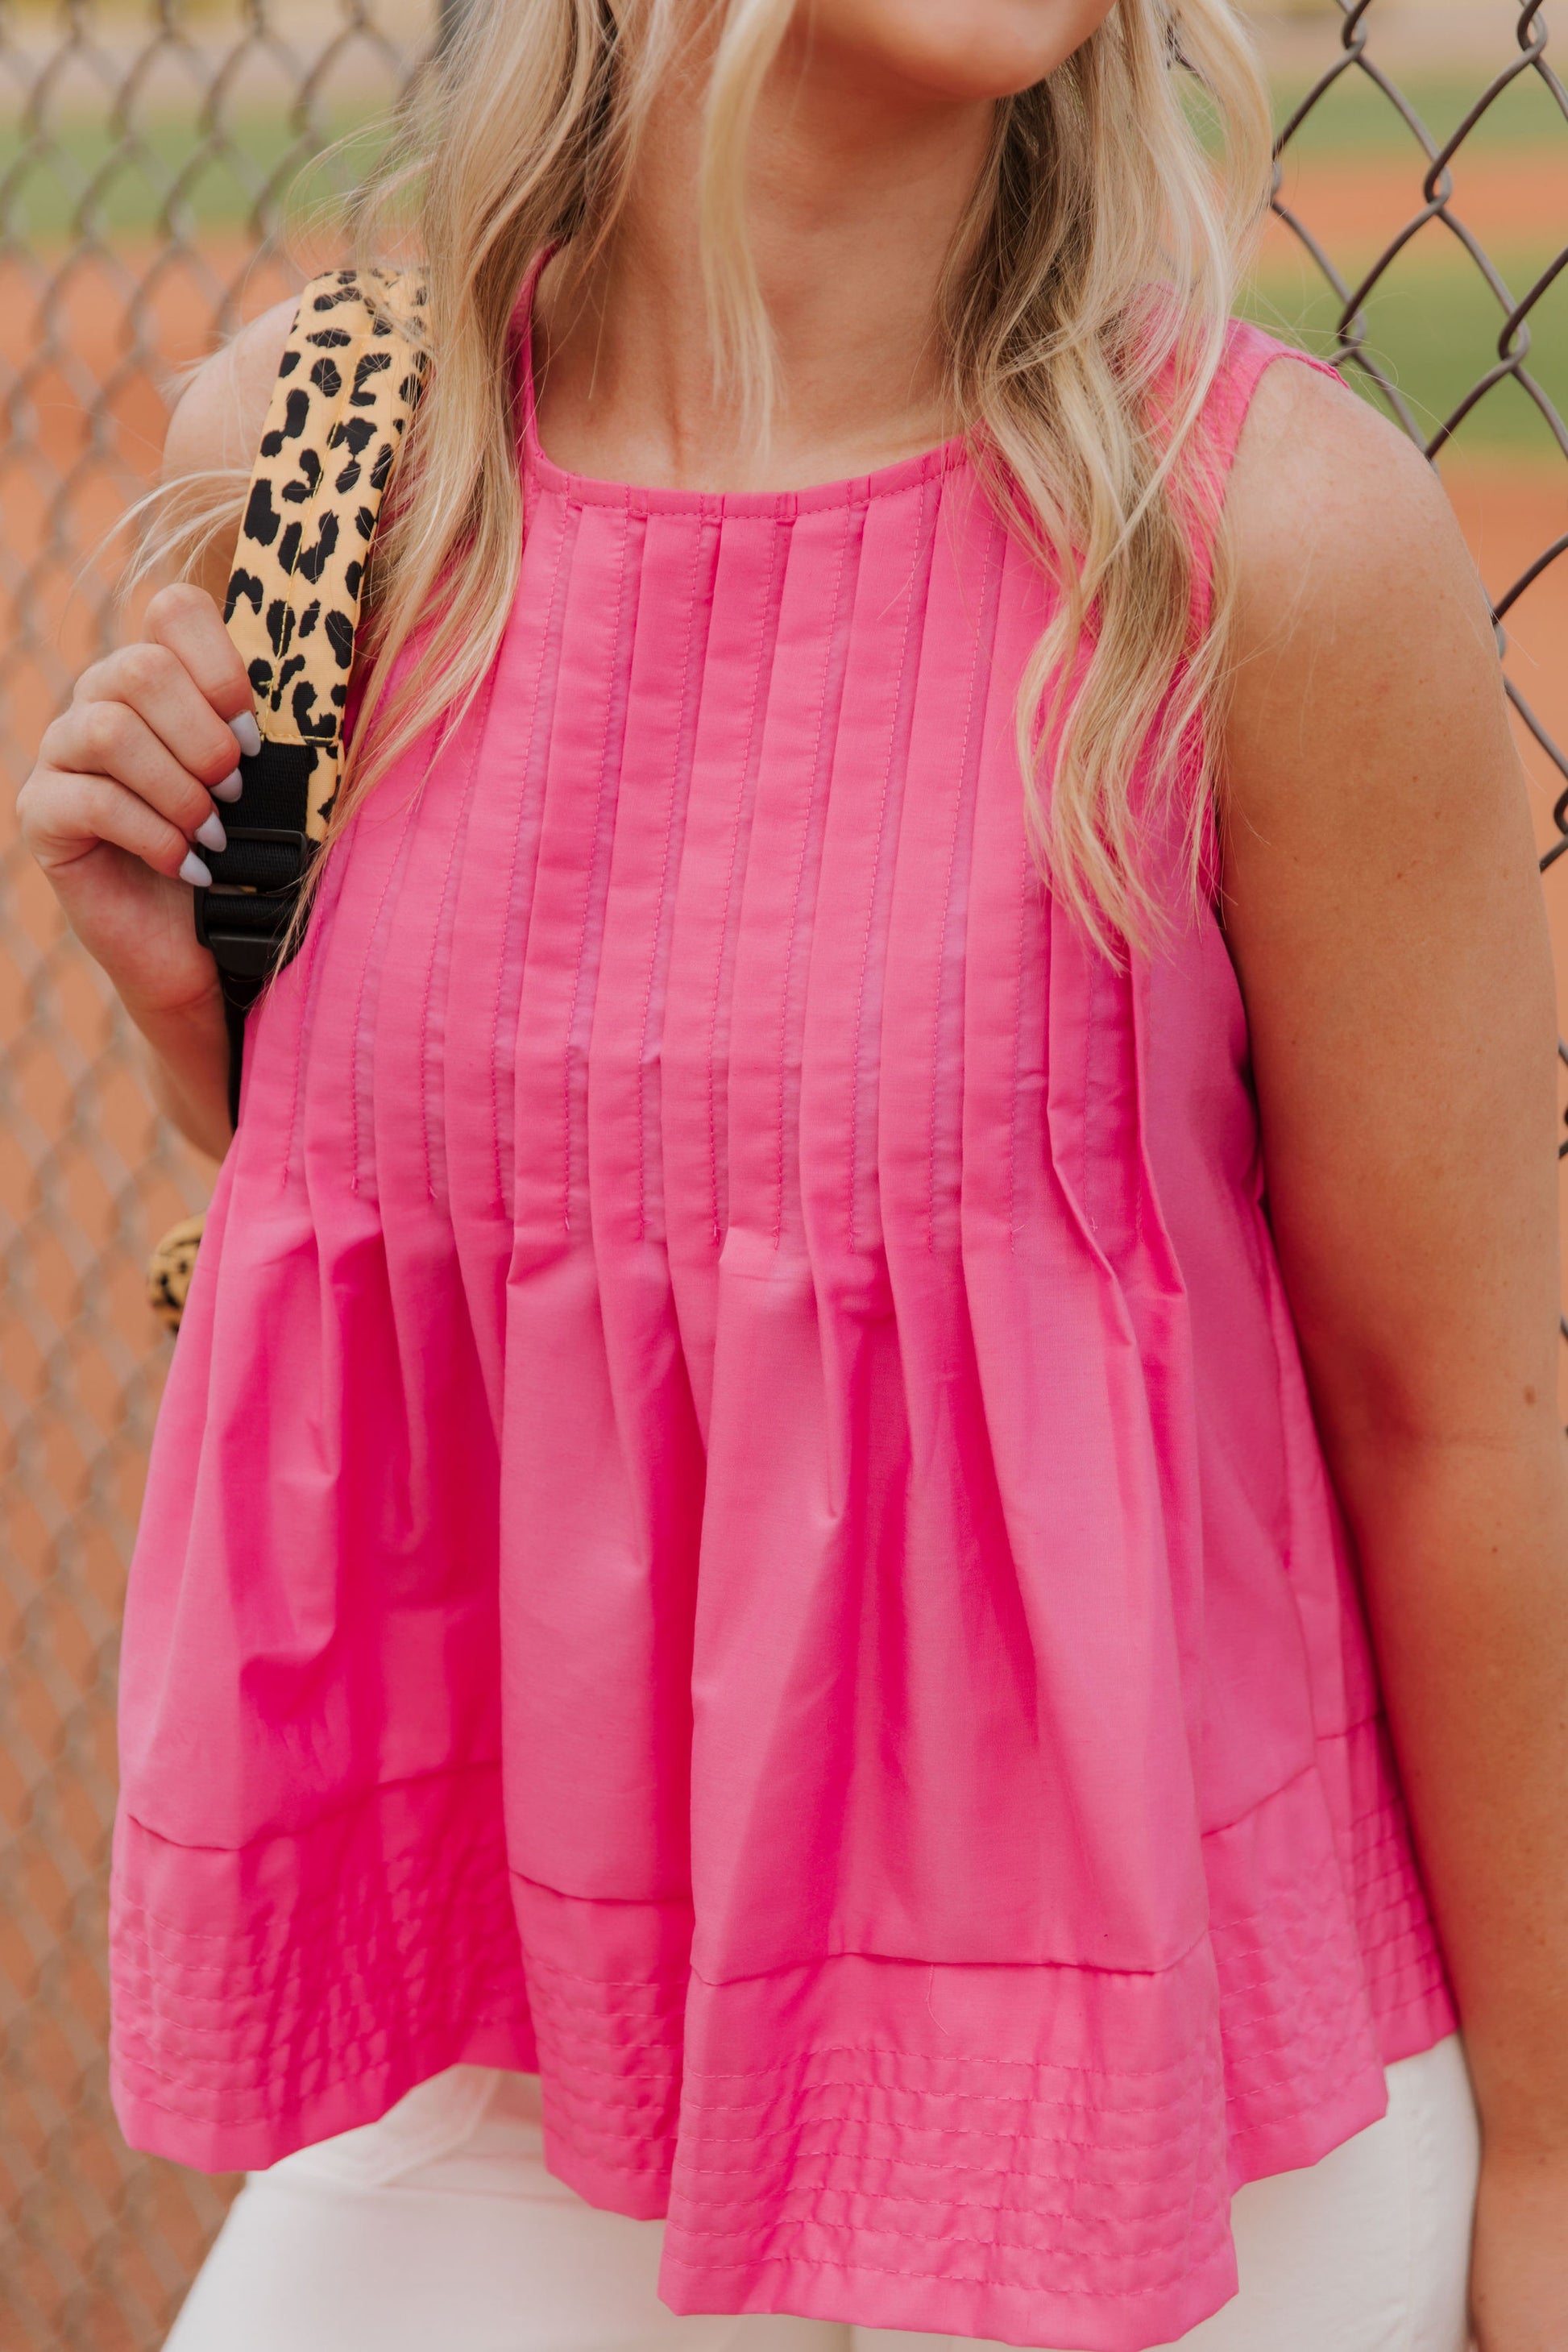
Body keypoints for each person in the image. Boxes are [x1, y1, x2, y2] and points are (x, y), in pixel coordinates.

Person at [18, 0, 1568, 2346]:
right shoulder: (333, 456)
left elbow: (1446, 1415)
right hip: (534, 2025)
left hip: (1152, 2049)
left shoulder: (1253, 537)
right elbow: (528, 1226)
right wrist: (194, 1017)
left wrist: (1548, 2158)